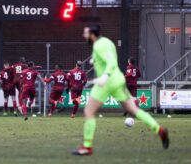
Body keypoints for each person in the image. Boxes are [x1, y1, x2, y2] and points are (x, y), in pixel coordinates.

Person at [72, 25, 169, 156]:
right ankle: (159, 130)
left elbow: (111, 62)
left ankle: (87, 146)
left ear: (92, 34)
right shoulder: (108, 42)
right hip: (118, 80)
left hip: (107, 82)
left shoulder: (98, 45)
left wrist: (105, 76)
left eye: (85, 33)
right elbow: (109, 58)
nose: (84, 36)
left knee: (89, 111)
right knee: (134, 110)